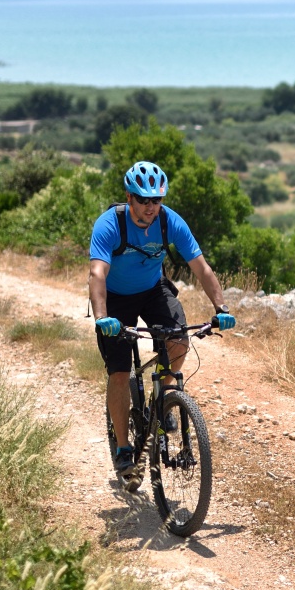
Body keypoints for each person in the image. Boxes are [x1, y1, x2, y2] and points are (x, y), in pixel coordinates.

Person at [88, 160, 235, 490]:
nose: (150, 207)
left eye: (156, 200)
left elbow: (201, 267)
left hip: (153, 290)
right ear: (129, 198)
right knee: (120, 372)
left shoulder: (170, 222)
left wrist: (221, 307)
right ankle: (124, 449)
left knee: (180, 340)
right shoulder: (110, 224)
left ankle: (165, 395)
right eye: (143, 200)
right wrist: (102, 318)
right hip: (114, 299)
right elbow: (97, 273)